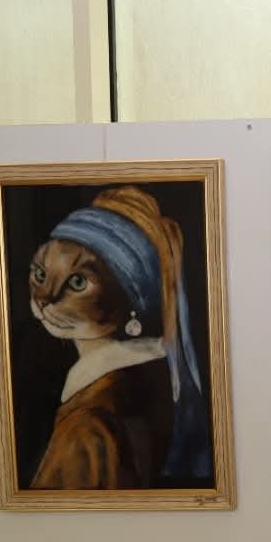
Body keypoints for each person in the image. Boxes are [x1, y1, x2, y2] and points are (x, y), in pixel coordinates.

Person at [28, 185, 209, 489]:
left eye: (77, 282)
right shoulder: (153, 373)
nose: (45, 298)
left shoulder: (92, 419)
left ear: (129, 295)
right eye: (40, 275)